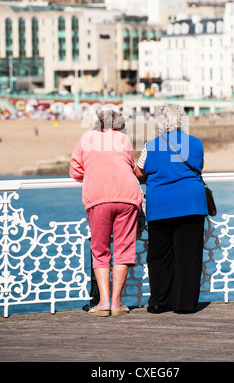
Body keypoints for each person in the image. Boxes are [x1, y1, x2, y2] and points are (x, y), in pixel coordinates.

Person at [135, 104, 208, 314]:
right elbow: (199, 166)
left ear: (159, 121)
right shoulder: (195, 143)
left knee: (159, 255)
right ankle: (184, 304)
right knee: (188, 256)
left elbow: (139, 172)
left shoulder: (151, 145)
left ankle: (159, 301)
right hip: (191, 203)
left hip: (161, 205)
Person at [70, 109, 142, 317]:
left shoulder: (87, 138)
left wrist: (93, 171)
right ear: (119, 125)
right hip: (127, 196)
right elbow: (129, 165)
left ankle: (103, 303)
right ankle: (117, 303)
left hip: (99, 197)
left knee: (100, 250)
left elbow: (75, 171)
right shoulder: (124, 140)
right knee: (123, 249)